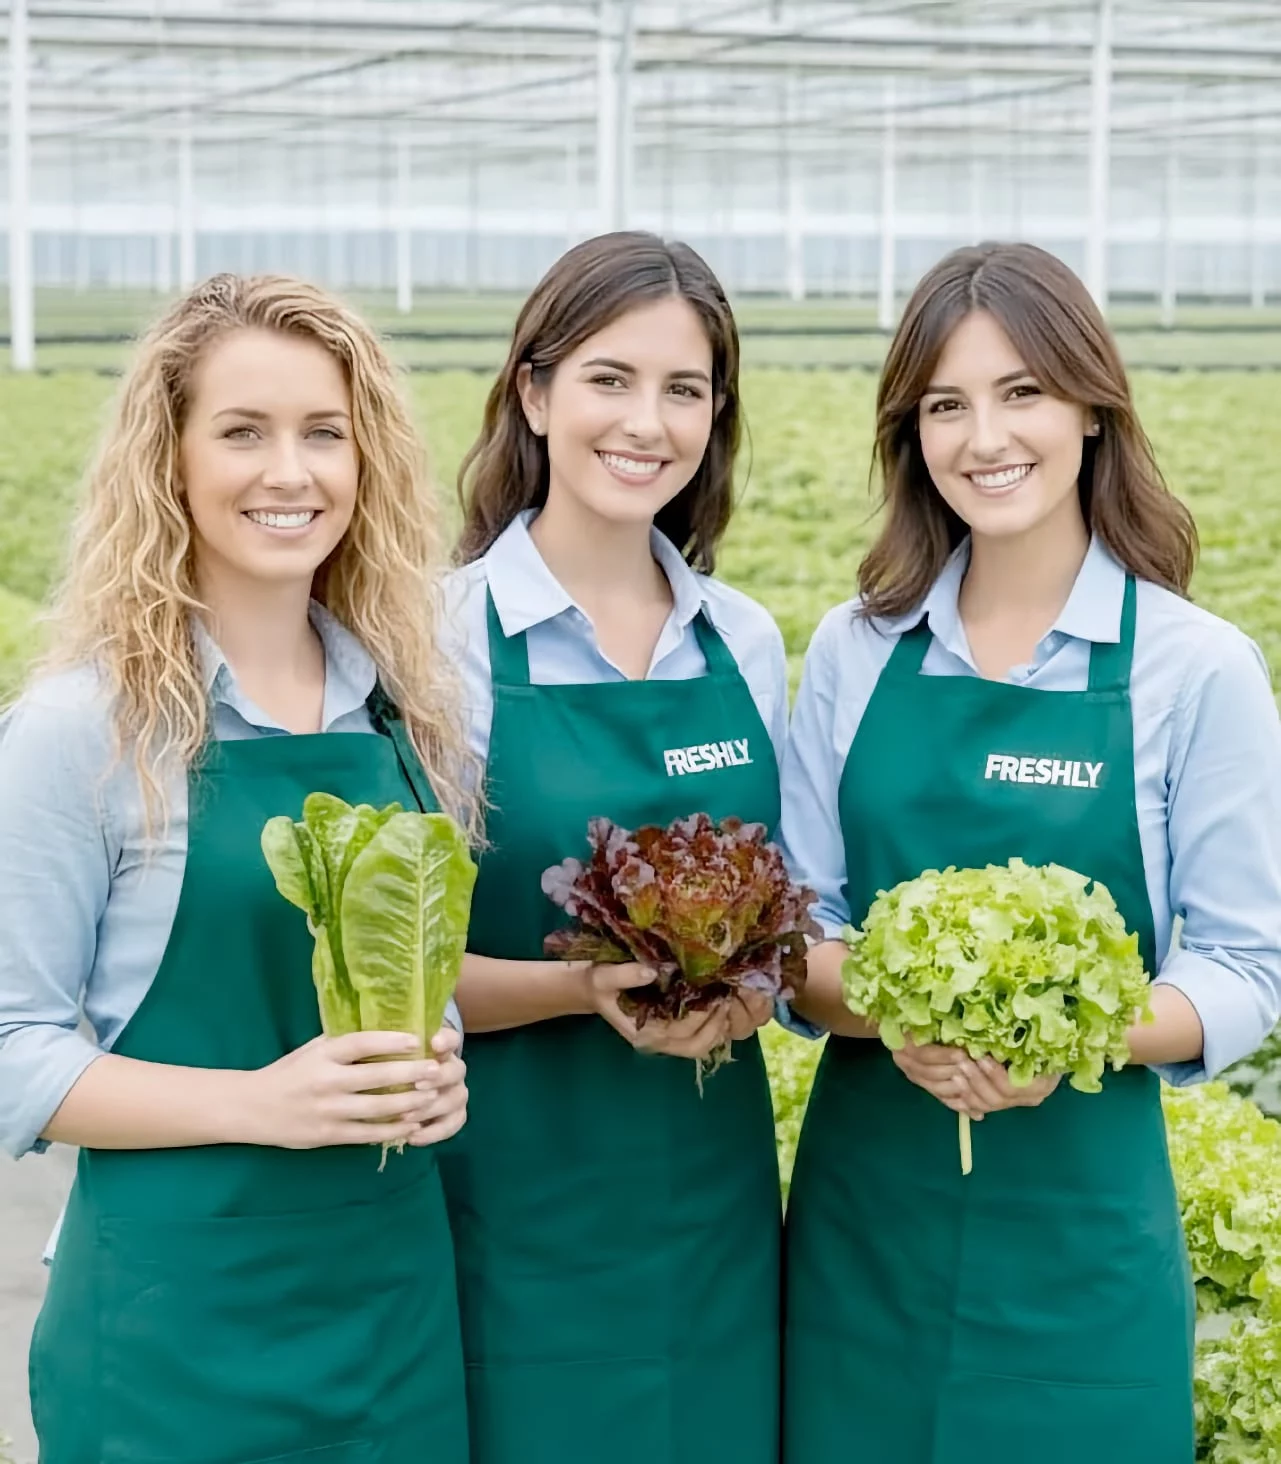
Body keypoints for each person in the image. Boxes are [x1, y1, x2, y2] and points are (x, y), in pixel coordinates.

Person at [779, 241, 1281, 1464]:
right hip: (865, 1236)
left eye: (1022, 393)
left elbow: (1243, 967)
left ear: (1093, 409)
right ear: (912, 434)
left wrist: (1062, 1033)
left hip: (1082, 1244)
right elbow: (798, 932)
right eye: (946, 404)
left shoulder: (1193, 665)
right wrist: (905, 1013)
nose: (983, 437)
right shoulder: (857, 647)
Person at [0, 274, 474, 1464]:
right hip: (176, 1325)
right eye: (242, 432)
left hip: (389, 1309)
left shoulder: (404, 713)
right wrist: (262, 1104)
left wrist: (438, 1055)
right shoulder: (85, 726)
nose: (290, 472)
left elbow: (409, 979)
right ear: (169, 459)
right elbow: (14, 1054)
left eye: (325, 433)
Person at [438, 231, 788, 1464]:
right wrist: (585, 990)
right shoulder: (439, 641)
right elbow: (388, 976)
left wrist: (754, 991)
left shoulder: (742, 640)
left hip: (715, 1202)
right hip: (512, 1201)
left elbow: (786, 921)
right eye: (609, 378)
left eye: (685, 389)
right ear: (533, 394)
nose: (648, 421)